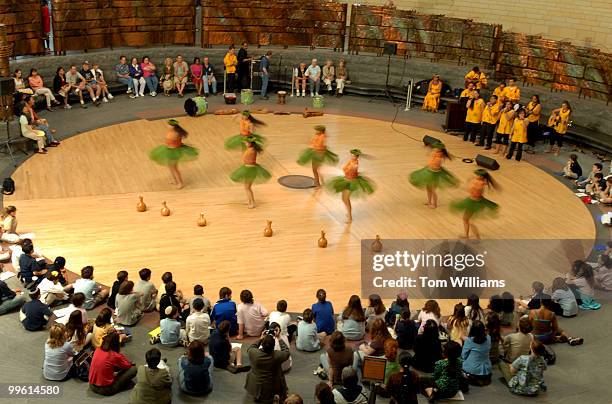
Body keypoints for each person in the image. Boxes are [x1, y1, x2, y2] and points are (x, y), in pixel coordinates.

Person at [149, 119, 199, 190]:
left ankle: (180, 183)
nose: (168, 126)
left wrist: (169, 144)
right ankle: (175, 181)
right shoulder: (172, 132)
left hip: (173, 152)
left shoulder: (175, 134)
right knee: (171, 167)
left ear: (173, 126)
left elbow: (175, 143)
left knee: (174, 169)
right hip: (169, 150)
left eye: (169, 125)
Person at [328, 149, 375, 223]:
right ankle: (348, 213)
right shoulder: (351, 161)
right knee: (343, 199)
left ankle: (350, 217)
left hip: (351, 182)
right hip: (346, 180)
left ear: (357, 156)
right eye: (352, 155)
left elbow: (350, 170)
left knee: (346, 199)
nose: (352, 156)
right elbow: (345, 169)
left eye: (353, 156)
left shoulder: (355, 164)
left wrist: (351, 169)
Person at [450, 169, 499, 240]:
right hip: (472, 200)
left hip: (474, 203)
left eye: (477, 175)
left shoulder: (480, 184)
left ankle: (478, 238)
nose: (476, 175)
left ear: (481, 176)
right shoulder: (480, 182)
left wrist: (470, 183)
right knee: (465, 219)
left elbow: (474, 192)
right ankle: (466, 235)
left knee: (470, 221)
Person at [409, 142, 458, 209]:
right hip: (429, 172)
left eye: (438, 150)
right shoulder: (436, 155)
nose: (436, 151)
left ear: (441, 152)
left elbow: (435, 167)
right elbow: (430, 159)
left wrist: (431, 162)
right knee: (428, 188)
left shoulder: (438, 159)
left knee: (433, 190)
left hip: (434, 175)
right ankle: (429, 202)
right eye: (436, 150)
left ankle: (435, 204)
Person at [245, 333, 291, 403]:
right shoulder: (277, 356)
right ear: (273, 346)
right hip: (270, 386)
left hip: (255, 385)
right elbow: (286, 352)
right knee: (279, 371)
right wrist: (279, 338)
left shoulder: (254, 353)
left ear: (262, 345)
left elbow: (252, 346)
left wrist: (261, 338)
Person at [229, 135, 272, 209]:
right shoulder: (251, 149)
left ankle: (252, 203)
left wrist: (244, 154)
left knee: (247, 187)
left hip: (250, 170)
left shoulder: (250, 150)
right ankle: (250, 201)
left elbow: (244, 158)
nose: (245, 144)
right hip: (248, 168)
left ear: (250, 143)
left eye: (246, 142)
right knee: (247, 187)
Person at [461, 320, 492, 386]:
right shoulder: (489, 338)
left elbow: (463, 356)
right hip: (487, 369)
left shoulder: (469, 341)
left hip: (473, 370)